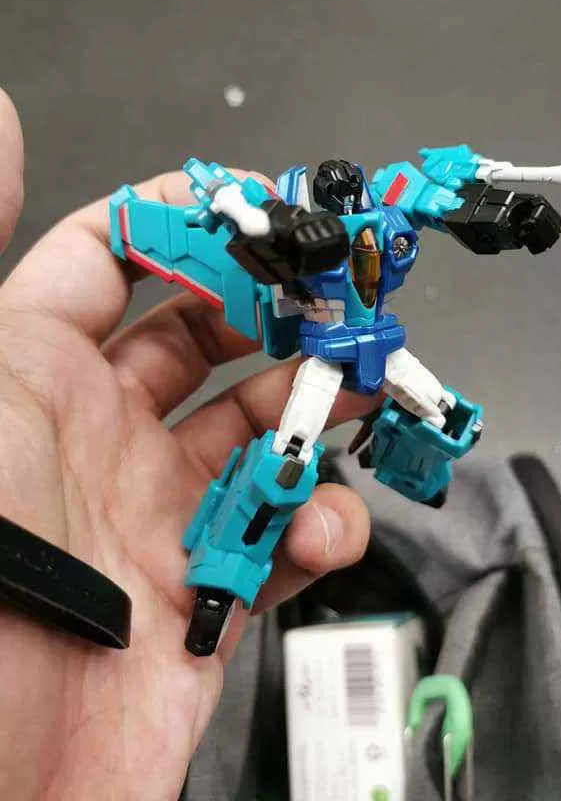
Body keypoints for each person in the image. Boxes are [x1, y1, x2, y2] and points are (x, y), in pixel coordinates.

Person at [0, 88, 373, 801]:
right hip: (321, 350)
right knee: (283, 469)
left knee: (415, 418)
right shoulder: (281, 228)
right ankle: (224, 573)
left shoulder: (371, 224)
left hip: (359, 341)